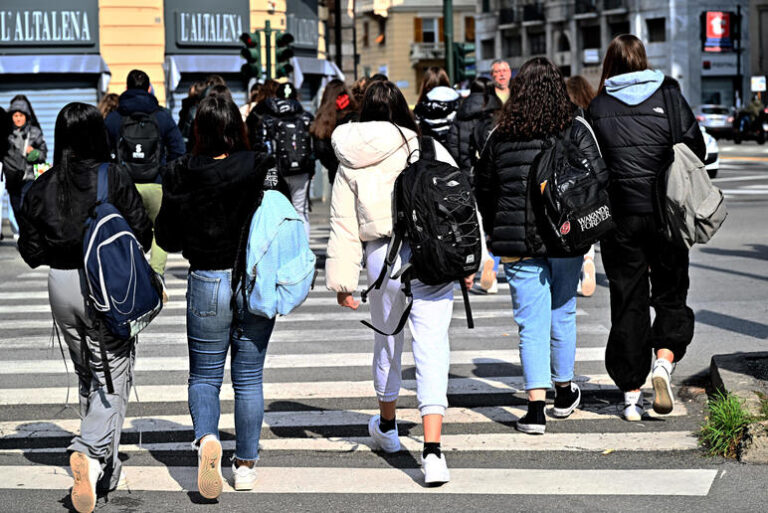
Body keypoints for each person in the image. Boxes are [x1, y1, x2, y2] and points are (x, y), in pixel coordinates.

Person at [326, 80, 467, 485]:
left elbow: (343, 223)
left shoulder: (349, 155)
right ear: (403, 109)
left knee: (387, 339)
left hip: (380, 257)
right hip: (430, 256)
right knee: (432, 345)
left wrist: (342, 283)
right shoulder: (423, 146)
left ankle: (387, 426)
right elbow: (457, 200)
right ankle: (434, 450)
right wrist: (476, 259)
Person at [16, 102, 152, 513]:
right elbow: (142, 233)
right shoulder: (112, 176)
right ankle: (89, 451)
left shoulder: (43, 184)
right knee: (112, 374)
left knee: (88, 374)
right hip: (102, 285)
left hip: (60, 285)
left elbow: (30, 250)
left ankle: (101, 472)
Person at [475, 57, 608, 434]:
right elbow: (599, 177)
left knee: (529, 323)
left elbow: (484, 189)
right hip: (565, 236)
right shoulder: (574, 126)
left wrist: (496, 230)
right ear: (557, 86)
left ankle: (535, 408)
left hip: (517, 241)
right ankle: (564, 392)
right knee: (562, 312)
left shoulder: (500, 134)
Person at [155, 95, 274, 497]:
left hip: (207, 279)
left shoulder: (181, 172)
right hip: (253, 280)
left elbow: (166, 237)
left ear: (198, 130)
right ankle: (245, 466)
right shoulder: (258, 165)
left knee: (205, 376)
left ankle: (207, 439)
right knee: (249, 378)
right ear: (236, 128)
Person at [587, 35, 705, 421]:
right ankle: (664, 364)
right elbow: (695, 147)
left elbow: (591, 165)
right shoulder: (669, 94)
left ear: (611, 63)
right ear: (643, 59)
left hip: (620, 219)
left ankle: (630, 396)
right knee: (671, 292)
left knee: (628, 299)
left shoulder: (598, 105)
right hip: (666, 215)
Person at [105, 69, 185, 288]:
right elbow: (179, 150)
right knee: (160, 229)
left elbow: (102, 151)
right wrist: (165, 173)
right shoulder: (161, 116)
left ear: (127, 88)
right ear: (149, 88)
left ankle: (132, 273)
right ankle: (157, 274)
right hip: (156, 184)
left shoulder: (114, 118)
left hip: (125, 186)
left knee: (126, 229)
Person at [253, 82, 314, 237]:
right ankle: (304, 251)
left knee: (275, 212)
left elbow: (260, 146)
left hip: (273, 171)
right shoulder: (306, 117)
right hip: (302, 170)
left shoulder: (267, 119)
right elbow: (313, 146)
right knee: (301, 211)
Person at [566, 75, 598, 298]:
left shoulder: (568, 116)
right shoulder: (593, 111)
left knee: (571, 223)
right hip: (589, 175)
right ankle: (589, 259)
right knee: (587, 220)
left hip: (568, 176)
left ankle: (580, 261)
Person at [3, 95, 47, 224]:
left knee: (26, 208)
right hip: (12, 178)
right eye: (15, 116)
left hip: (29, 177)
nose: (18, 119)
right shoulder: (5, 134)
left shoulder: (35, 133)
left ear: (26, 116)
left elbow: (43, 154)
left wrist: (34, 153)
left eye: (21, 116)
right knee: (17, 209)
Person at [310, 79, 358, 186]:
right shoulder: (356, 115)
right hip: (358, 173)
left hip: (336, 175)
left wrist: (333, 165)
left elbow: (320, 149)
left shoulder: (322, 120)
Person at [413, 67, 460, 145]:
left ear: (425, 86)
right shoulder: (458, 105)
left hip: (431, 154)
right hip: (455, 153)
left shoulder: (420, 109)